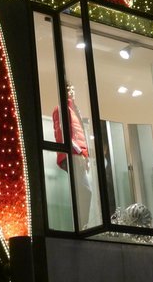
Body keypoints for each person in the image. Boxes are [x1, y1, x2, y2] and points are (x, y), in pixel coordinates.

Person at [52, 82, 92, 229]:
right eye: (69, 89)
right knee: (85, 191)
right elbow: (63, 133)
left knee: (82, 191)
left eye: (73, 89)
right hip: (73, 154)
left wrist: (85, 156)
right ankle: (82, 226)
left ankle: (81, 225)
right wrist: (79, 152)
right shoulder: (61, 109)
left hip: (79, 154)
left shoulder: (74, 110)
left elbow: (78, 133)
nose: (72, 91)